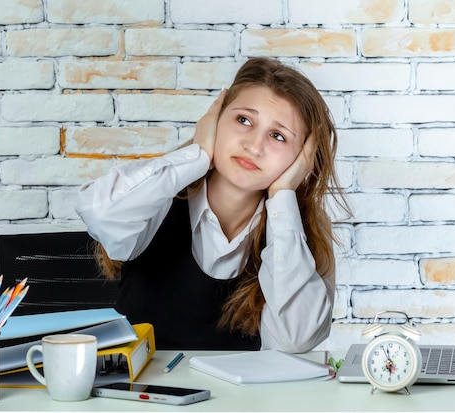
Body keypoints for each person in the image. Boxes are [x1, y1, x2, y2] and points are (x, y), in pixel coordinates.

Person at [75, 57, 349, 353]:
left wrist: (283, 194)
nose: (254, 146)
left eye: (278, 136)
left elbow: (295, 341)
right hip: (139, 394)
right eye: (243, 120)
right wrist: (198, 153)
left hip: (241, 399)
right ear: (215, 119)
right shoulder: (159, 198)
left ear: (301, 159)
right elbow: (98, 212)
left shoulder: (298, 233)